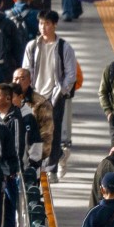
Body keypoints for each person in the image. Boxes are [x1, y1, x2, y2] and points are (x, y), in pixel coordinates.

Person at [22, 10, 78, 177]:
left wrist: (61, 91)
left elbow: (71, 74)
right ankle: (59, 155)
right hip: (35, 96)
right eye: (41, 23)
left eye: (47, 23)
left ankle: (51, 169)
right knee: (35, 131)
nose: (43, 27)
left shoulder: (64, 48)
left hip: (54, 96)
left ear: (55, 25)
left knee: (53, 132)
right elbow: (26, 70)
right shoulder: (32, 46)